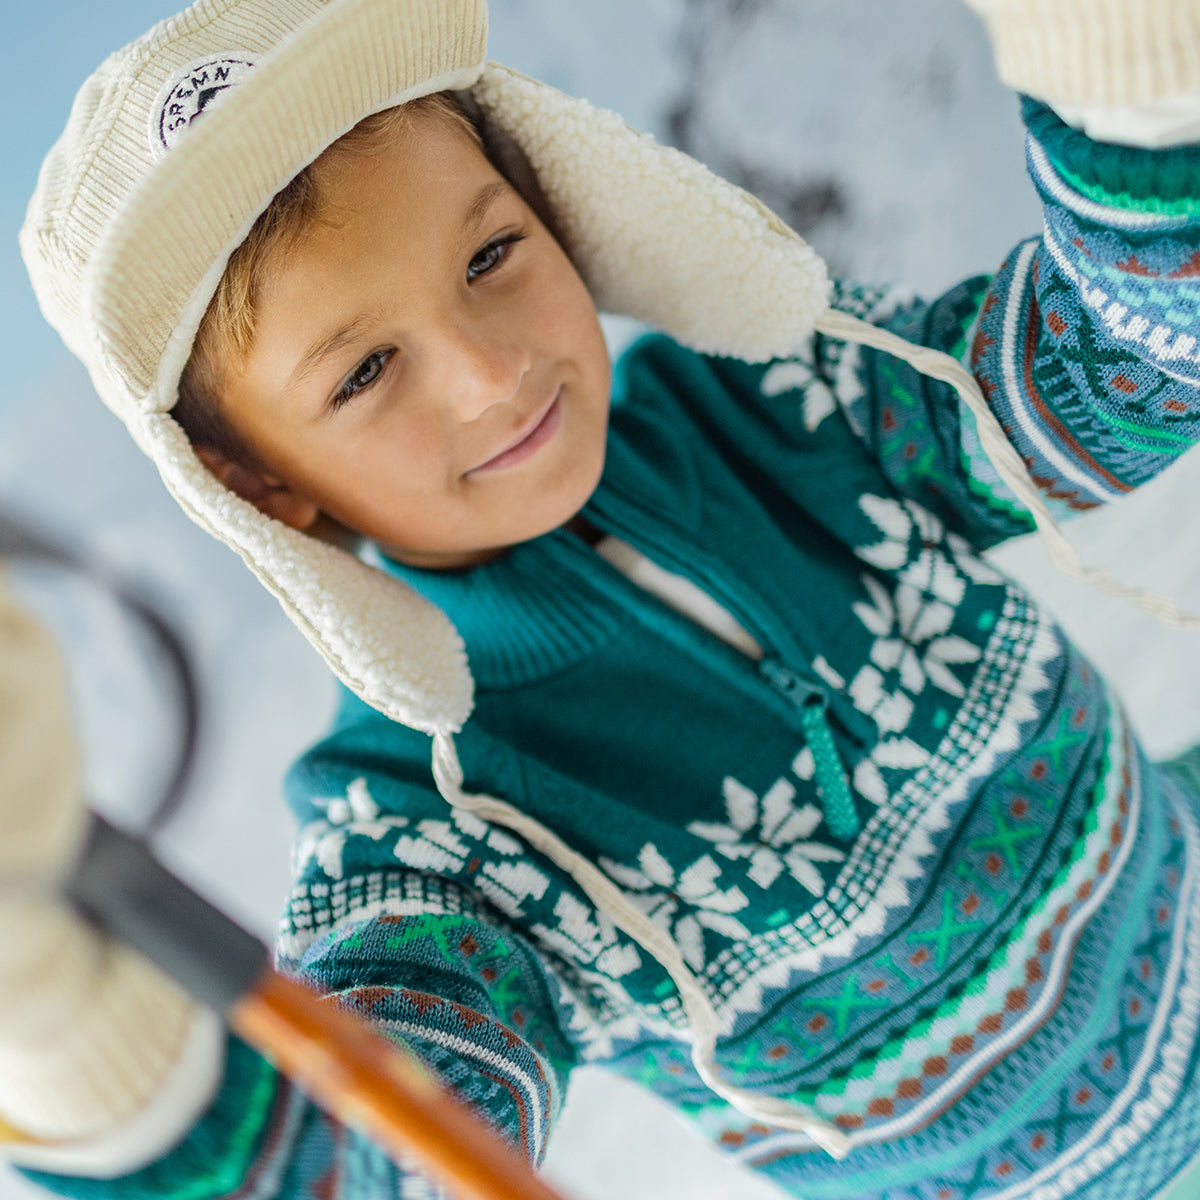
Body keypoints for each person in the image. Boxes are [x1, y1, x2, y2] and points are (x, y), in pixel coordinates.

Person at [11, 0, 1200, 1196]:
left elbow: (1112, 373)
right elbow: (375, 1163)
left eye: (488, 256)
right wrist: (59, 1022)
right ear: (259, 484)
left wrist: (1135, 91)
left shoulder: (783, 406)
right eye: (366, 370)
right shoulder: (429, 837)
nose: (492, 375)